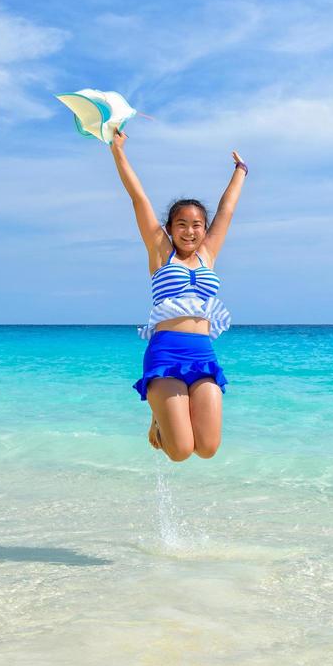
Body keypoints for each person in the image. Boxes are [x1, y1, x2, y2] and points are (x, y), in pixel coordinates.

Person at [109, 126, 246, 462]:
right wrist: (118, 152)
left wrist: (241, 172)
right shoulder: (160, 252)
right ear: (169, 229)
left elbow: (226, 211)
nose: (190, 230)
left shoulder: (208, 254)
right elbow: (138, 198)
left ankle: (164, 417)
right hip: (166, 353)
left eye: (197, 224)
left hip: (203, 353)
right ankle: (157, 419)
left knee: (208, 448)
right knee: (181, 452)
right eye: (181, 224)